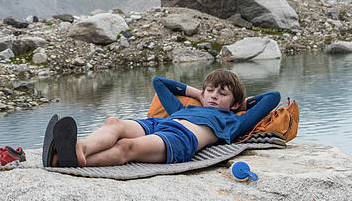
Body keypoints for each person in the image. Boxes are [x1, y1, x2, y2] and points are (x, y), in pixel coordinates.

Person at [43, 69, 280, 167]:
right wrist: (198, 93)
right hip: (160, 124)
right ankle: (78, 149)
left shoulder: (234, 121)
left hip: (182, 138)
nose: (214, 96)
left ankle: (77, 161)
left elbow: (273, 97)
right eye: (211, 91)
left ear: (234, 103)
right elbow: (160, 83)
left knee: (127, 146)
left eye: (223, 93)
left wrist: (239, 106)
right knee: (114, 123)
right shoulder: (182, 108)